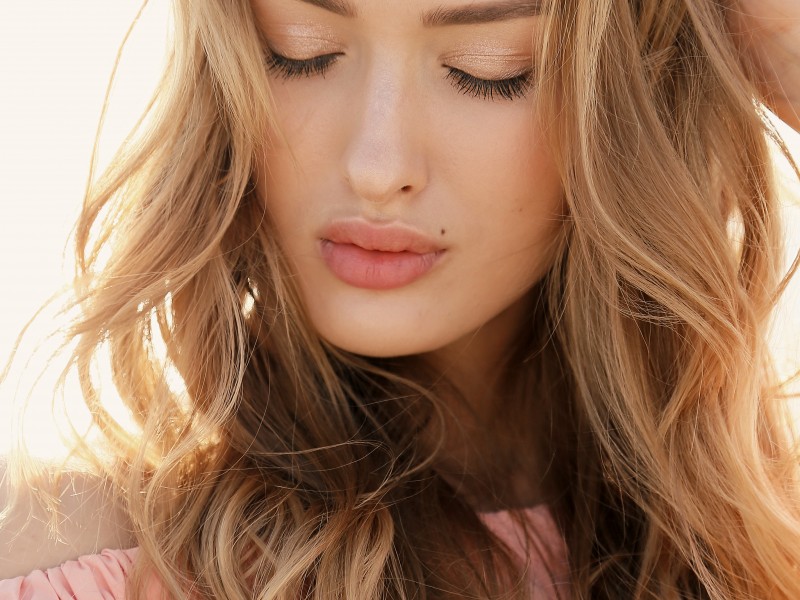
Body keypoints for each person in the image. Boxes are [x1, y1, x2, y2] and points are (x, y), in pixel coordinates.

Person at [2, 0, 800, 598]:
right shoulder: (90, 552)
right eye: (301, 52)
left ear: (636, 101)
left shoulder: (760, 536)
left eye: (489, 66)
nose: (377, 166)